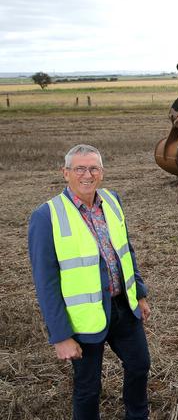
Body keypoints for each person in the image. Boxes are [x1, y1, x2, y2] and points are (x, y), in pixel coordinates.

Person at [28, 144, 151, 419]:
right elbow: (45, 284)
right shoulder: (46, 216)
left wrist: (139, 293)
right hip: (83, 320)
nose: (87, 175)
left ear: (102, 173)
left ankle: (137, 415)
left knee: (140, 366)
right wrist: (60, 336)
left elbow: (126, 250)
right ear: (65, 173)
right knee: (88, 389)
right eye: (80, 168)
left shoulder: (112, 200)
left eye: (93, 168)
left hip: (122, 306)